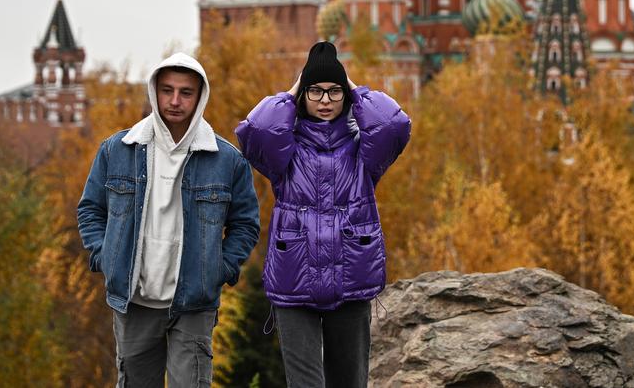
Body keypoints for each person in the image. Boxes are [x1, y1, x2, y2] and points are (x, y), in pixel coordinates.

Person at [235, 41, 411, 388]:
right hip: (294, 277)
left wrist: (355, 89)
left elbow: (393, 125)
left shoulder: (364, 151)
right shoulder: (284, 152)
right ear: (304, 95)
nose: (325, 100)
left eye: (334, 92)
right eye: (316, 91)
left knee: (350, 381)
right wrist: (291, 91)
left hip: (352, 276)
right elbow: (256, 131)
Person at [78, 53, 260, 388]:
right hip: (134, 301)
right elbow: (90, 210)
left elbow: (246, 224)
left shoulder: (227, 160)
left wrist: (220, 269)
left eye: (186, 92)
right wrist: (107, 258)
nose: (175, 101)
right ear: (154, 92)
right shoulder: (118, 150)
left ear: (200, 96)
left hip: (193, 302)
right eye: (167, 90)